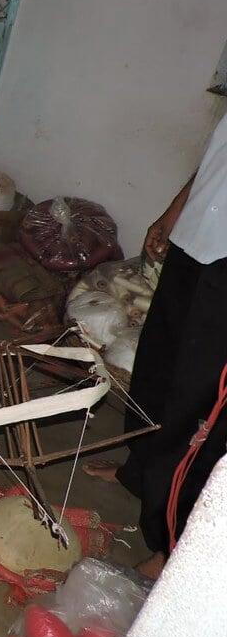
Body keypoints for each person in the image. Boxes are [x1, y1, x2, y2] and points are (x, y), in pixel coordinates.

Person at [84, 111, 227, 580]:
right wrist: (173, 212)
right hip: (194, 244)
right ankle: (139, 472)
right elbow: (214, 162)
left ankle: (170, 546)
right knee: (157, 369)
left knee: (198, 408)